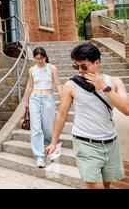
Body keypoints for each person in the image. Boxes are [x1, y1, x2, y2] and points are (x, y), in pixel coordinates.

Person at [46, 43, 129, 189]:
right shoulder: (71, 85)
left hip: (110, 143)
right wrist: (53, 142)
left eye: (84, 66)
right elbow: (61, 115)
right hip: (86, 144)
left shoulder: (115, 82)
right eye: (76, 66)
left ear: (97, 62)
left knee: (106, 185)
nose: (80, 71)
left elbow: (126, 109)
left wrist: (105, 87)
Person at [25, 47, 62, 168]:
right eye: (37, 58)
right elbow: (30, 86)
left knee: (47, 127)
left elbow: (57, 84)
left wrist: (63, 98)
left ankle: (48, 146)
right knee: (36, 128)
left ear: (45, 56)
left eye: (42, 58)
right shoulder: (32, 69)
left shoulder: (52, 68)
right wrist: (26, 102)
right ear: (34, 58)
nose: (40, 60)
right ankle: (39, 156)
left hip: (48, 98)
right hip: (34, 98)